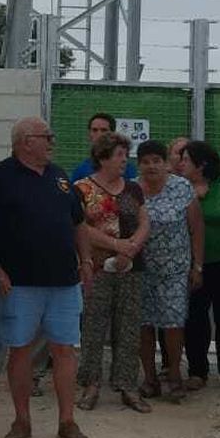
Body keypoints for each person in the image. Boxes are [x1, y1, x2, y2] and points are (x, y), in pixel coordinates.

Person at [0, 118, 91, 438]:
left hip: (64, 282)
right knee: (19, 351)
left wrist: (86, 260)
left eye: (51, 135)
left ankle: (67, 421)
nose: (51, 141)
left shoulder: (60, 176)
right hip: (19, 284)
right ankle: (22, 420)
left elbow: (79, 223)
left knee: (65, 350)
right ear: (24, 142)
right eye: (45, 137)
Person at [75, 132, 151, 412]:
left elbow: (144, 222)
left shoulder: (132, 189)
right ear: (103, 157)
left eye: (124, 154)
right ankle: (90, 384)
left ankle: (127, 385)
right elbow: (81, 227)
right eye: (119, 155)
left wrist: (130, 248)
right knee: (94, 326)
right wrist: (114, 245)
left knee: (129, 327)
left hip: (131, 267)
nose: (124, 160)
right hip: (96, 268)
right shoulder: (82, 189)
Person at [136, 139, 201, 400]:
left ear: (166, 163)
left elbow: (196, 228)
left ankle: (174, 374)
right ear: (138, 165)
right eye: (145, 162)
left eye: (157, 161)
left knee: (174, 323)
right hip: (141, 270)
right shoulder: (132, 191)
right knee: (144, 324)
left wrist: (197, 265)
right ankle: (150, 378)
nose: (151, 166)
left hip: (175, 269)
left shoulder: (182, 187)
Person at [181, 141, 220, 391]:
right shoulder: (180, 189)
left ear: (201, 164)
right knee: (195, 317)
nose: (180, 164)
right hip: (193, 262)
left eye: (186, 159)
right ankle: (197, 370)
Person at [71, 112, 138, 180]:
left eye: (104, 130)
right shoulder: (81, 170)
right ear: (89, 134)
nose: (99, 134)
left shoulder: (126, 167)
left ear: (113, 134)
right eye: (94, 130)